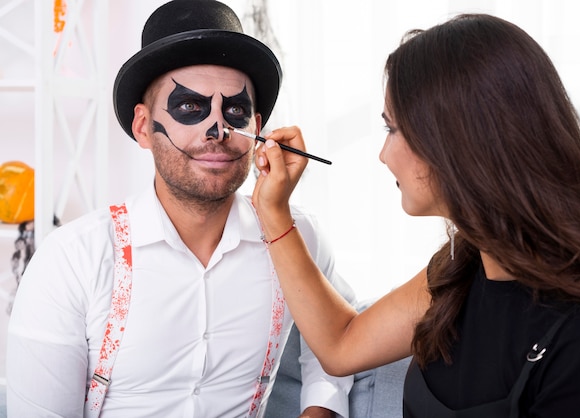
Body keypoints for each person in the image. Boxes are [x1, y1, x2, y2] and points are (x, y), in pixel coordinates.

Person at [251, 13, 580, 417]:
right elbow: (341, 345)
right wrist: (274, 211)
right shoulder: (461, 266)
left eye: (391, 129)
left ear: (454, 142)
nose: (382, 155)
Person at [6, 1, 356, 417]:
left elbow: (337, 353)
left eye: (235, 111)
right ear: (142, 127)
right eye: (190, 107)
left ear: (258, 130)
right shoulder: (72, 259)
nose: (218, 130)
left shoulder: (297, 238)